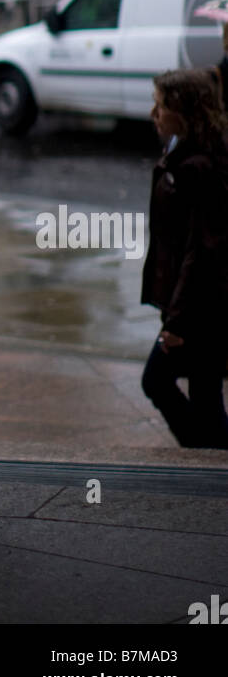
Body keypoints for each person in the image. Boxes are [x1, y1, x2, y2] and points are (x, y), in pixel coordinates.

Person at [141, 69, 228, 449]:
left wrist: (176, 321)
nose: (152, 113)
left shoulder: (198, 169)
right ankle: (206, 460)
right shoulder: (185, 154)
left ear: (185, 112)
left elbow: (201, 252)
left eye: (160, 106)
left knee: (156, 380)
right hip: (201, 308)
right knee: (206, 400)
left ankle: (202, 458)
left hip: (199, 312)